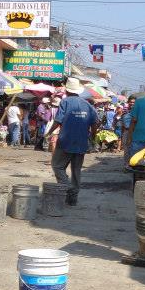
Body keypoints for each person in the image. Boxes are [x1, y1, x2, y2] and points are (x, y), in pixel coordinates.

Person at [46, 77, 99, 206]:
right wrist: (92, 138)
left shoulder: (65, 102)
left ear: (67, 90)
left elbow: (58, 121)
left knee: (57, 166)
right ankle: (73, 196)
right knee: (76, 170)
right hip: (81, 142)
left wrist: (48, 132)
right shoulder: (88, 105)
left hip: (65, 140)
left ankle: (66, 187)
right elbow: (95, 124)